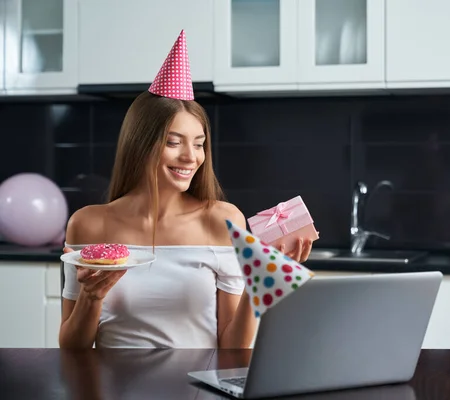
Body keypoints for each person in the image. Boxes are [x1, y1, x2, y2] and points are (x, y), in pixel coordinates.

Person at [59, 30, 313, 350]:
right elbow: (71, 349)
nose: (190, 157)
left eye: (199, 144)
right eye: (173, 142)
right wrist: (91, 298)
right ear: (140, 144)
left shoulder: (222, 220)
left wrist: (259, 283)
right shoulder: (88, 223)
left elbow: (233, 346)